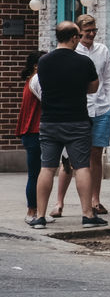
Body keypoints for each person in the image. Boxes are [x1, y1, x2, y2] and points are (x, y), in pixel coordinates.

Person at [29, 22, 103, 229]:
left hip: (50, 121)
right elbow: (94, 87)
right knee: (82, 168)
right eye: (78, 36)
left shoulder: (44, 62)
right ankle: (88, 215)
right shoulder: (83, 61)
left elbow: (42, 85)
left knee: (47, 168)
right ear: (73, 38)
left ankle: (40, 216)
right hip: (77, 121)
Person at [17, 50, 44, 225]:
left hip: (32, 131)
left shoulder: (31, 81)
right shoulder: (37, 81)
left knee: (39, 173)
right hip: (33, 131)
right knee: (35, 174)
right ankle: (32, 211)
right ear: (36, 66)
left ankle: (37, 211)